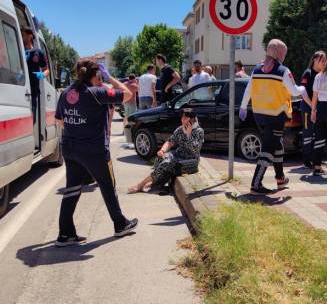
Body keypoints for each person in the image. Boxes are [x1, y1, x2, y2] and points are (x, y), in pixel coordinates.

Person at [54, 60, 138, 247]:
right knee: (107, 186)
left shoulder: (66, 93)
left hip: (70, 147)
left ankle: (65, 234)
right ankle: (120, 224)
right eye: (100, 77)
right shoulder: (97, 93)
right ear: (96, 76)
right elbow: (128, 94)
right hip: (94, 150)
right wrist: (111, 79)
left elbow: (59, 121)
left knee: (72, 189)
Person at [239, 39, 307, 195]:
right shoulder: (283, 70)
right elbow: (294, 91)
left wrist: (243, 107)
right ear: (280, 53)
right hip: (276, 116)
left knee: (277, 146)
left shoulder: (257, 69)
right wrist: (302, 89)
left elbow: (248, 90)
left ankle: (280, 179)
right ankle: (256, 185)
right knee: (269, 149)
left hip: (259, 116)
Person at [128, 111, 204, 193]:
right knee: (161, 158)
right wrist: (162, 150)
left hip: (190, 159)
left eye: (185, 118)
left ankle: (141, 185)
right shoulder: (180, 129)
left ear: (191, 120)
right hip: (178, 154)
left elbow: (195, 149)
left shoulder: (199, 131)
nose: (182, 120)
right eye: (182, 117)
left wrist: (189, 134)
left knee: (167, 163)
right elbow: (170, 142)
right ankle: (155, 182)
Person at [300, 51, 327, 168]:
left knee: (318, 134)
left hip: (319, 109)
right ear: (315, 60)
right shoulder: (308, 73)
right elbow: (303, 93)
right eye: (322, 60)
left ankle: (316, 159)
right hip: (308, 108)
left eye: (325, 61)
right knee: (308, 134)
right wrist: (312, 106)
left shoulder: (323, 75)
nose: (324, 63)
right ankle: (307, 160)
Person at [22, 27, 49, 123]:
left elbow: (46, 70)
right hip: (20, 89)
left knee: (31, 120)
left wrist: (41, 75)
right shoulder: (19, 51)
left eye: (23, 35)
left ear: (30, 36)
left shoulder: (38, 53)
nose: (22, 37)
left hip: (32, 92)